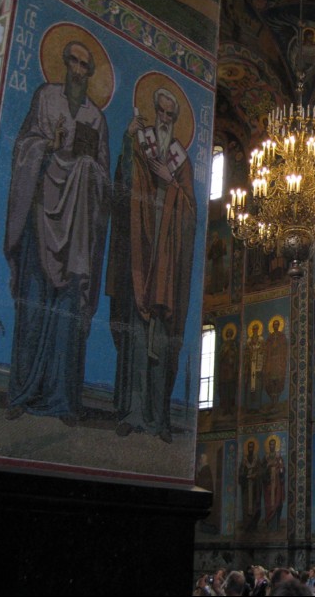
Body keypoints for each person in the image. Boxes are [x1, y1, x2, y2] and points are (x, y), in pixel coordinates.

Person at [4, 40, 111, 425]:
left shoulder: (96, 119)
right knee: (33, 308)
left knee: (67, 317)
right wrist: (45, 147)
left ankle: (63, 400)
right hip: (41, 216)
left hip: (77, 234)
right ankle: (22, 392)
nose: (79, 71)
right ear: (65, 63)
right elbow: (23, 146)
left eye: (86, 66)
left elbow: (103, 177)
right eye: (74, 62)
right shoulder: (45, 98)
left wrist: (87, 166)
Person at [108, 86, 196, 443]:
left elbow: (191, 213)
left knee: (162, 342)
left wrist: (170, 184)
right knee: (135, 340)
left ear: (175, 121)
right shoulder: (139, 144)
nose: (163, 119)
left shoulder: (181, 161)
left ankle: (159, 419)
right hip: (140, 260)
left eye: (169, 116)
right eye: (159, 112)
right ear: (153, 111)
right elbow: (122, 187)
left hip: (166, 269)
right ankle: (130, 412)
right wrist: (127, 141)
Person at [238, 439, 262, 532]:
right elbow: (240, 473)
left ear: (254, 448)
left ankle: (254, 525)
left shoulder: (257, 459)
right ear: (247, 448)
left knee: (255, 506)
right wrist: (245, 475)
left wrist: (255, 475)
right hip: (247, 488)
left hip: (255, 488)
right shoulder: (244, 460)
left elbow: (260, 472)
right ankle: (247, 526)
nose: (250, 449)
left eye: (252, 447)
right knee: (246, 507)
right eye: (249, 447)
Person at [263, 318, 288, 407]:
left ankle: (277, 400)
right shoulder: (270, 337)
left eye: (277, 324)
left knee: (278, 380)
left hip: (278, 362)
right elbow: (266, 349)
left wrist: (278, 346)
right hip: (271, 362)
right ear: (272, 326)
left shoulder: (282, 336)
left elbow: (284, 348)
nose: (276, 326)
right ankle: (272, 401)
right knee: (271, 380)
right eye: (274, 325)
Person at [262, 437, 285, 531]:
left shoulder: (278, 457)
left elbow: (282, 471)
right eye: (270, 444)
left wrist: (281, 468)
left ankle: (276, 525)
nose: (272, 446)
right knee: (269, 504)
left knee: (277, 503)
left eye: (273, 444)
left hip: (277, 486)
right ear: (269, 446)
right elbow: (262, 471)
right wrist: (267, 468)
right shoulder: (265, 458)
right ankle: (269, 525)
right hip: (268, 486)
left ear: (275, 446)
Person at [217, 326, 239, 417]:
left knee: (231, 388)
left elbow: (236, 355)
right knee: (224, 389)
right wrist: (224, 353)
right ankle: (225, 408)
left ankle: (230, 408)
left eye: (231, 333)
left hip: (231, 369)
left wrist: (232, 355)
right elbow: (220, 356)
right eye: (228, 333)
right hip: (224, 370)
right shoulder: (223, 345)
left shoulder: (233, 344)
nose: (229, 335)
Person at [195, 451, 219, 534]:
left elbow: (204, 482)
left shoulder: (205, 468)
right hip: (203, 493)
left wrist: (198, 480)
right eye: (200, 458)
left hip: (204, 493)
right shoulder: (203, 468)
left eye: (201, 459)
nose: (200, 460)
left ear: (204, 459)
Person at [245, 321, 265, 409]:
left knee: (258, 385)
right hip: (251, 366)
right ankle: (249, 406)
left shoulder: (261, 340)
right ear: (252, 330)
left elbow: (263, 350)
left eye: (256, 329)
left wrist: (260, 351)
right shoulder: (249, 341)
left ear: (258, 330)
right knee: (250, 387)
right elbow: (246, 352)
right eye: (254, 329)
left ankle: (257, 406)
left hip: (258, 367)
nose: (255, 330)